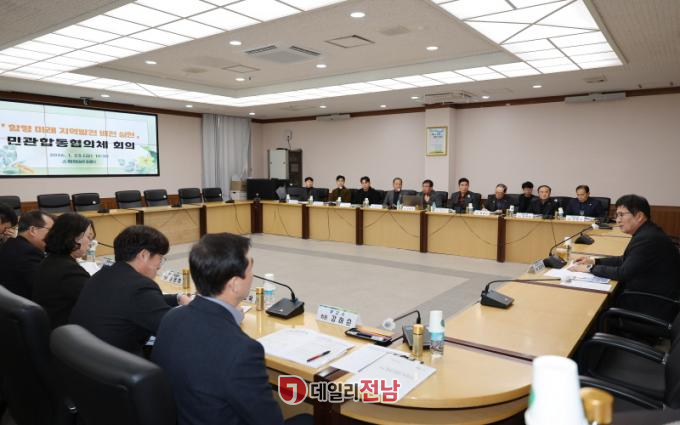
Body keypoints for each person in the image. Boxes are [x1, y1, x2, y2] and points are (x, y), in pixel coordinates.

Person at [152, 233, 311, 425]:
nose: (252, 276)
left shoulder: (171, 318)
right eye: (251, 268)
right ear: (235, 284)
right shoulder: (243, 350)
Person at [70, 225, 191, 355]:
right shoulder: (140, 287)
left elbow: (134, 302)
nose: (159, 267)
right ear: (144, 255)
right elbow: (177, 329)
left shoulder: (103, 275)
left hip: (86, 358)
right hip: (120, 362)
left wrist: (177, 298)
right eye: (160, 259)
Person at [570, 195, 680, 321]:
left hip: (652, 305)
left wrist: (589, 268)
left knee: (591, 306)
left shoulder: (647, 239)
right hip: (652, 293)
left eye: (621, 215)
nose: (617, 220)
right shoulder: (647, 232)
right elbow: (625, 260)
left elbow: (622, 273)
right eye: (617, 215)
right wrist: (594, 261)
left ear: (639, 216)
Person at [32, 213, 93, 328]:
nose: (90, 241)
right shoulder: (70, 271)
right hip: (66, 331)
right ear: (75, 239)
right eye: (88, 236)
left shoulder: (49, 260)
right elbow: (97, 300)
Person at [0, 210, 54, 299]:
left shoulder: (11, 244)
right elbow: (46, 288)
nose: (54, 235)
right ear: (33, 230)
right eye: (50, 230)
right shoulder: (29, 253)